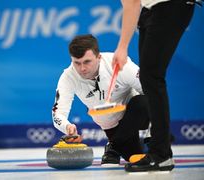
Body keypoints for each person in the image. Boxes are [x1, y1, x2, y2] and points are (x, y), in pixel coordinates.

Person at [112, 0, 198, 172]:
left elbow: (132, 3)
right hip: (151, 9)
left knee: (151, 76)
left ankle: (161, 154)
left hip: (170, 5)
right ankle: (160, 150)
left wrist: (122, 47)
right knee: (148, 77)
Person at [52, 34, 150, 166]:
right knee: (133, 155)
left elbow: (151, 92)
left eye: (87, 62)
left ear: (99, 57)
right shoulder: (68, 77)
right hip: (111, 124)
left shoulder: (119, 63)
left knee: (144, 103)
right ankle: (119, 144)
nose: (82, 69)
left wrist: (153, 131)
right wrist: (67, 126)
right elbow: (57, 113)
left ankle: (113, 147)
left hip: (134, 112)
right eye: (77, 63)